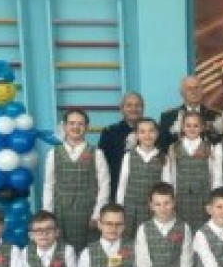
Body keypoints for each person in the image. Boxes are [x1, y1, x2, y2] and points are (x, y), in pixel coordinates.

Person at [43, 108, 110, 255]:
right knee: (64, 253)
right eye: (72, 123)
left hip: (88, 212)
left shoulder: (96, 153)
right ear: (65, 126)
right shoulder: (53, 153)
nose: (76, 127)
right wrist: (48, 214)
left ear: (86, 127)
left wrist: (97, 214)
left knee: (89, 252)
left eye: (80, 123)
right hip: (61, 213)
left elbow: (104, 185)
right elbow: (48, 185)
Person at [116, 118, 167, 238]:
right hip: (130, 208)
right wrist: (119, 207)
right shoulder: (128, 156)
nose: (147, 135)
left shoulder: (163, 157)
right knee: (128, 239)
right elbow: (122, 184)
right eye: (142, 132)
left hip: (153, 209)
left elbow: (166, 186)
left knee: (149, 238)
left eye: (151, 131)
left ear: (157, 133)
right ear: (137, 135)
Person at [164, 110, 213, 230]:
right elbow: (172, 173)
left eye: (196, 126)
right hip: (181, 196)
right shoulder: (174, 147)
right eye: (188, 125)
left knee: (202, 228)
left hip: (203, 196)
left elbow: (212, 174)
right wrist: (171, 195)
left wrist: (212, 198)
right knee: (181, 228)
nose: (192, 129)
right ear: (182, 127)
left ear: (202, 127)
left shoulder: (209, 147)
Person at [98, 92, 144, 201]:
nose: (133, 109)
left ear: (143, 108)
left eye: (137, 105)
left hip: (145, 189)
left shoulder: (152, 132)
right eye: (129, 105)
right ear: (122, 109)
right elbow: (102, 165)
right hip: (116, 189)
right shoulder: (109, 132)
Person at [157, 75, 221, 152]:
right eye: (189, 89)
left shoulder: (215, 116)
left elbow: (220, 143)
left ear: (202, 91)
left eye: (196, 88)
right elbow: (162, 147)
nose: (193, 92)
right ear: (182, 93)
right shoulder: (168, 117)